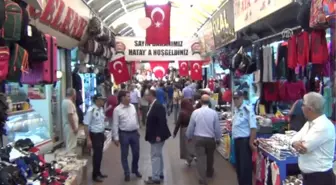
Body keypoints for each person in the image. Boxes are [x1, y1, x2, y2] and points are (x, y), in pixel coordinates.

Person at [291, 92, 335, 185]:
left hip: (320, 178)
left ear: (309, 109)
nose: (301, 107)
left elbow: (304, 148)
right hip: (310, 177)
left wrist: (296, 143)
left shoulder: (323, 126)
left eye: (303, 105)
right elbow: (294, 138)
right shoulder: (309, 123)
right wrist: (294, 143)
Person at [185, 94, 221, 185]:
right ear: (209, 102)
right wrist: (218, 139)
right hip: (210, 139)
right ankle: (209, 172)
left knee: (201, 159)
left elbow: (191, 126)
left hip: (199, 139)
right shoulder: (214, 113)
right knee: (210, 157)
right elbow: (217, 128)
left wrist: (189, 137)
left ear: (200, 102)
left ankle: (202, 178)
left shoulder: (195, 112)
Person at [112, 91, 142, 182]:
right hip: (124, 134)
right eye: (128, 96)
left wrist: (137, 129)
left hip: (134, 133)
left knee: (136, 153)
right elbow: (115, 124)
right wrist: (116, 138)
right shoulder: (117, 110)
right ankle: (127, 172)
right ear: (122, 98)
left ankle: (135, 169)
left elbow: (135, 119)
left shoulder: (132, 106)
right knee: (124, 154)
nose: (130, 98)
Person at [144, 90, 171, 184]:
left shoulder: (158, 106)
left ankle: (155, 177)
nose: (145, 97)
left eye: (146, 95)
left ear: (151, 96)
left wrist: (159, 135)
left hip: (157, 136)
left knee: (155, 156)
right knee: (158, 155)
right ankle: (159, 173)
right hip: (154, 134)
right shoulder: (152, 105)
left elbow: (162, 121)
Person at [232, 90, 257, 185]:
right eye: (234, 98)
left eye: (237, 98)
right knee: (238, 168)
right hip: (237, 142)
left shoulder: (248, 109)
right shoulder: (236, 110)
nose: (235, 101)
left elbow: (253, 128)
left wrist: (251, 143)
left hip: (244, 142)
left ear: (242, 98)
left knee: (245, 169)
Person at [83, 94, 108, 182]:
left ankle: (98, 172)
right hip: (95, 135)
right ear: (97, 100)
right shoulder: (91, 110)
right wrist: (88, 139)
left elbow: (101, 123)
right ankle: (95, 175)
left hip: (100, 134)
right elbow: (86, 125)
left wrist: (103, 133)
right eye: (102, 99)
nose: (103, 101)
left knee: (100, 155)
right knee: (96, 155)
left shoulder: (101, 109)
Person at [173, 99, 195, 166]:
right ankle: (194, 155)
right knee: (191, 144)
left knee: (185, 146)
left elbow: (178, 123)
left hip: (184, 129)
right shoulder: (193, 111)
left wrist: (174, 133)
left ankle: (188, 160)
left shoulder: (182, 112)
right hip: (193, 129)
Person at [62, 88, 79, 153]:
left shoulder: (65, 101)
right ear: (73, 94)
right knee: (71, 146)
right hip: (70, 127)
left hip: (68, 126)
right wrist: (74, 128)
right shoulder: (69, 103)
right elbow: (70, 116)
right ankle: (70, 160)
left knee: (69, 144)